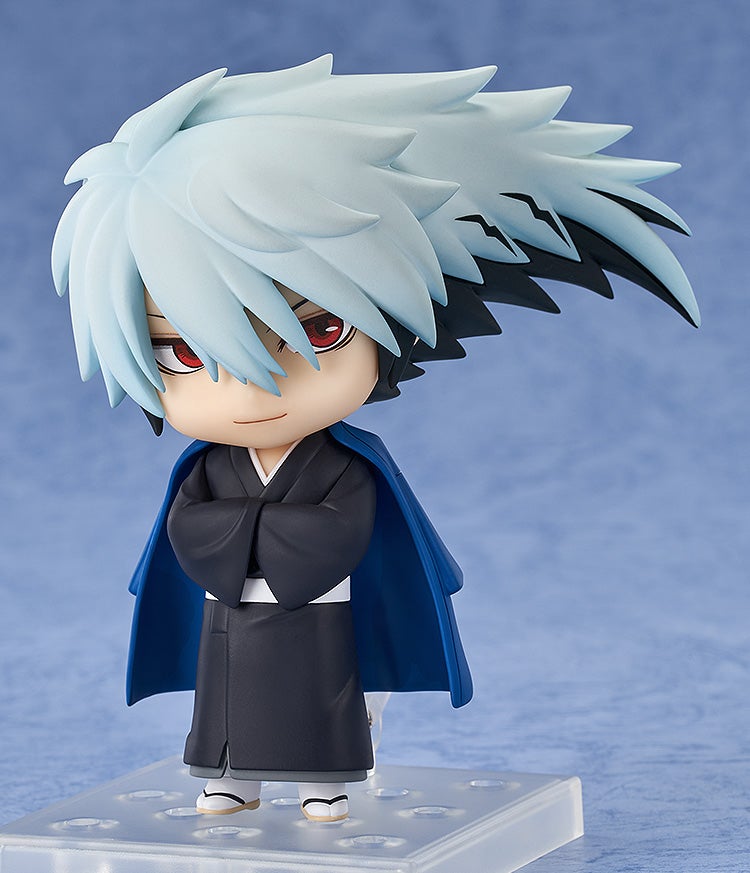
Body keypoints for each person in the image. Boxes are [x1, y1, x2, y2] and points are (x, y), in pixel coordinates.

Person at [52, 56, 697, 821]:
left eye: (320, 330)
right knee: (224, 697)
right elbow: (188, 528)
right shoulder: (206, 467)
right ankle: (229, 776)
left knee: (322, 697)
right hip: (231, 613)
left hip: (319, 610)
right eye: (183, 353)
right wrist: (244, 535)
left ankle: (324, 779)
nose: (254, 391)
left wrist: (249, 533)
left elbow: (341, 528)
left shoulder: (347, 465)